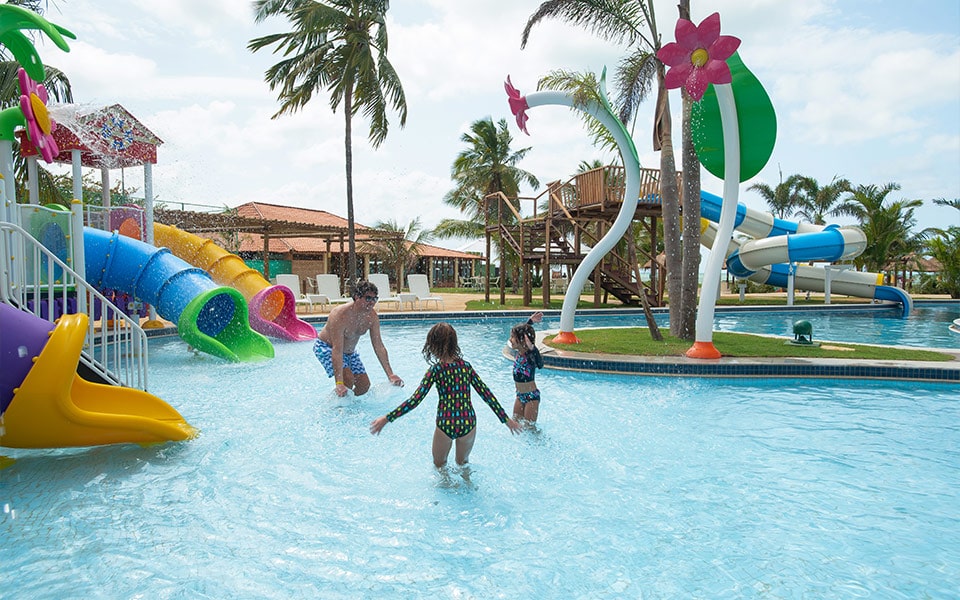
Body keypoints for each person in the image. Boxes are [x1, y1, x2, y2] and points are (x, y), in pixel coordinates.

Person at [370, 322, 521, 467]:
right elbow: (486, 394)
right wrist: (506, 420)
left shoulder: (436, 370)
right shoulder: (466, 367)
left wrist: (387, 418)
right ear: (454, 344)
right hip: (467, 421)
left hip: (446, 422)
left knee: (440, 466)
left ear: (433, 345)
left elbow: (415, 400)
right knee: (463, 465)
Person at [313, 279, 404, 397]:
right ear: (357, 297)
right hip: (327, 348)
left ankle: (349, 404)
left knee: (364, 385)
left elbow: (379, 346)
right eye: (368, 298)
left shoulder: (372, 317)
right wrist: (339, 383)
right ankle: (339, 407)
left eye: (374, 299)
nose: (371, 302)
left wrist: (390, 374)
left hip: (349, 352)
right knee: (348, 380)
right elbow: (337, 349)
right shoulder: (340, 315)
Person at [509, 311, 544, 425]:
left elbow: (540, 365)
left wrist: (533, 349)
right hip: (519, 396)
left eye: (513, 337)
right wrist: (529, 322)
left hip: (531, 397)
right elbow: (522, 332)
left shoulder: (530, 356)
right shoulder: (518, 353)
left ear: (523, 341)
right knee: (515, 425)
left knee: (529, 429)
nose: (510, 340)